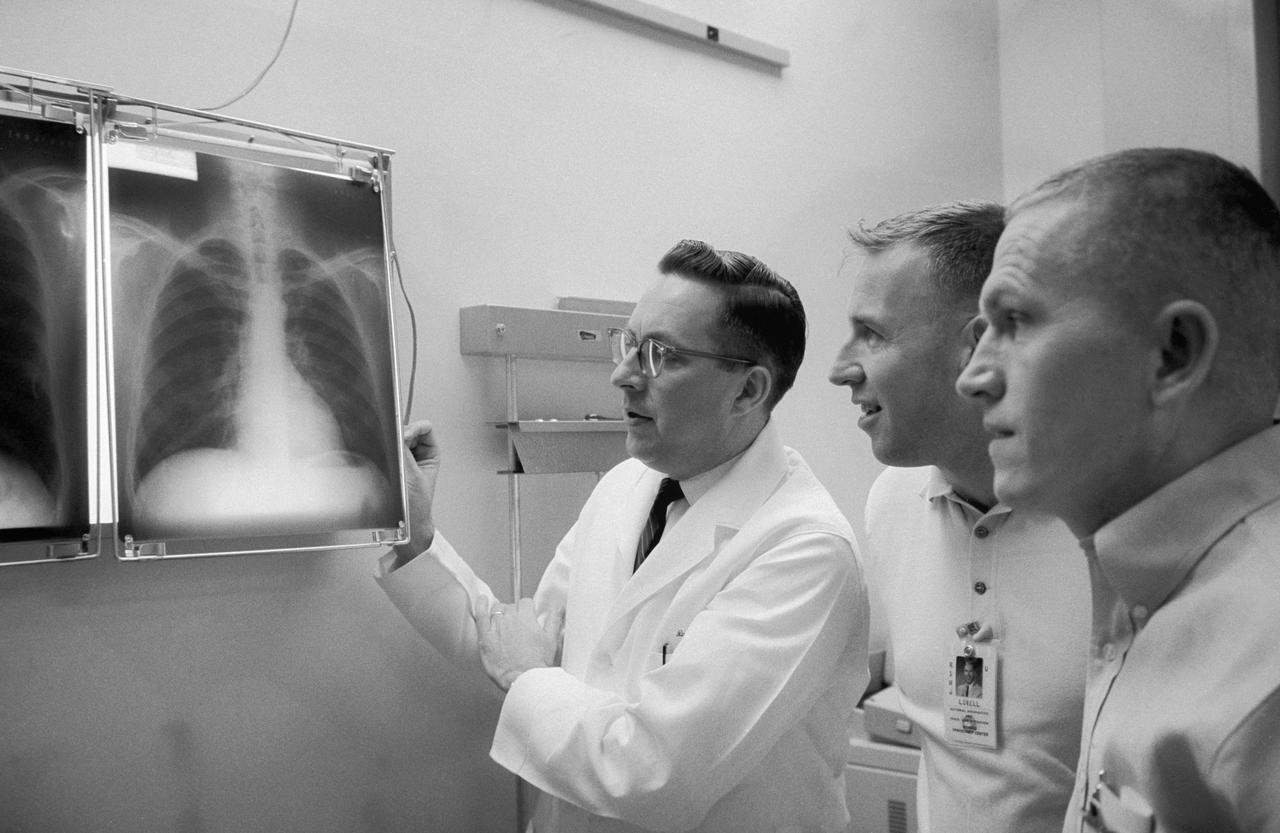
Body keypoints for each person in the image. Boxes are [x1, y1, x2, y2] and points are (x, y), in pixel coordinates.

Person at [379, 239, 869, 833]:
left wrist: (526, 674)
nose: (622, 374)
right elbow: (520, 648)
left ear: (748, 391)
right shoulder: (627, 487)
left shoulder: (805, 549)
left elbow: (651, 773)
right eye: (628, 343)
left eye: (660, 355)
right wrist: (416, 537)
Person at [957, 147, 1280, 833]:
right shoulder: (1137, 585)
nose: (975, 376)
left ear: (1173, 354)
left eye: (1014, 322)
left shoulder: (1265, 663)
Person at [828, 201, 1091, 833]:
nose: (841, 369)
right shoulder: (891, 501)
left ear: (979, 344)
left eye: (872, 333)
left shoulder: (1111, 521)